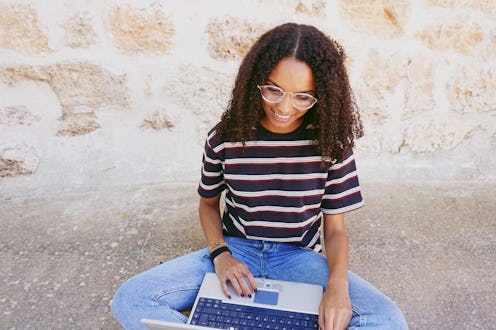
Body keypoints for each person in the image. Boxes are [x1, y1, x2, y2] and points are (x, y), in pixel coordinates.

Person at [111, 23, 408, 330]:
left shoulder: (332, 144)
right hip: (237, 249)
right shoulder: (224, 138)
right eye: (273, 89)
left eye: (303, 97)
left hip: (299, 258)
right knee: (131, 298)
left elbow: (334, 231)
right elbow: (208, 204)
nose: (284, 107)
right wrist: (221, 254)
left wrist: (337, 286)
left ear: (323, 96)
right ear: (256, 80)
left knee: (387, 320)